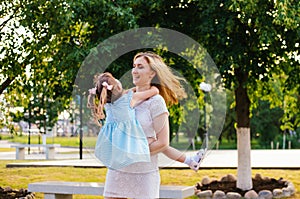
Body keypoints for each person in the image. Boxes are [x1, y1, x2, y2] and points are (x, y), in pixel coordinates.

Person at [102, 51, 205, 199]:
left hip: (144, 174)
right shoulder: (124, 98)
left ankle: (190, 161)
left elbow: (163, 143)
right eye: (134, 66)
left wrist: (134, 153)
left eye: (140, 67)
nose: (134, 71)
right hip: (118, 172)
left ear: (152, 74)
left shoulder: (156, 102)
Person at [88, 72, 160, 170]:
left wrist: (129, 90)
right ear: (117, 87)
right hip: (128, 137)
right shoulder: (131, 98)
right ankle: (145, 142)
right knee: (150, 139)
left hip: (113, 139)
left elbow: (120, 94)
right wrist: (152, 87)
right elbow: (154, 91)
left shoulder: (106, 103)